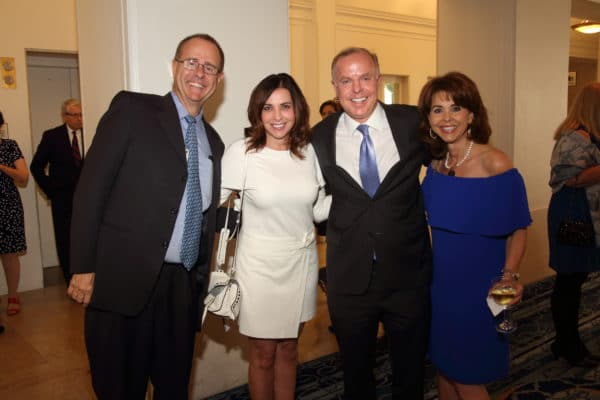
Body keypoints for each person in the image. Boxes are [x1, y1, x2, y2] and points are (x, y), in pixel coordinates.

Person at [67, 33, 225, 399]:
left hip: (181, 289)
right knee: (120, 389)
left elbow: (203, 219)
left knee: (174, 388)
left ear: (218, 80)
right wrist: (83, 266)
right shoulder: (133, 111)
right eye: (191, 62)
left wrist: (200, 286)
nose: (199, 73)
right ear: (173, 67)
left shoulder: (213, 142)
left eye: (209, 67)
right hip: (122, 281)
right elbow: (91, 190)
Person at [311, 47, 432, 400]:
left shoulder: (411, 122)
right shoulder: (319, 136)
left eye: (365, 77)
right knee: (356, 377)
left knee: (410, 374)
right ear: (334, 86)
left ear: (378, 79)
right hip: (349, 281)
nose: (357, 89)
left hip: (408, 277)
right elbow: (309, 197)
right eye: (346, 80)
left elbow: (447, 159)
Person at [419, 71, 531, 400]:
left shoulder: (495, 163)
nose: (447, 118)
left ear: (471, 114)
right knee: (445, 366)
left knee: (467, 376)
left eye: (456, 108)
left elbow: (518, 228)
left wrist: (509, 276)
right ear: (429, 119)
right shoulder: (436, 164)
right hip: (440, 285)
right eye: (437, 110)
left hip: (479, 287)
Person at [220, 73, 330, 400]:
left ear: (298, 110)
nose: (277, 116)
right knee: (263, 354)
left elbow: (317, 210)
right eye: (268, 107)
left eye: (285, 106)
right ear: (257, 111)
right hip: (258, 268)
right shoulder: (242, 153)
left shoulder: (308, 152)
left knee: (290, 349)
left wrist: (357, 196)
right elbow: (213, 204)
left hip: (301, 265)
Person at [547, 81, 600, 368]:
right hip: (573, 215)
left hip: (586, 214)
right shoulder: (574, 137)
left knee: (574, 279)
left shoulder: (591, 135)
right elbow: (569, 179)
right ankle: (568, 345)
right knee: (569, 281)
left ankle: (564, 342)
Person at [30, 98, 84, 285]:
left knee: (88, 237)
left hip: (88, 199)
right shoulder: (52, 136)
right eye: (75, 115)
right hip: (63, 199)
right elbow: (36, 166)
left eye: (81, 114)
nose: (80, 119)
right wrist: (51, 191)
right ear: (65, 116)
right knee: (65, 240)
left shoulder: (92, 132)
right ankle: (70, 280)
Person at [0, 111, 28, 323]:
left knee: (9, 254)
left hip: (8, 205)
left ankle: (12, 296)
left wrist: (1, 166)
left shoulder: (10, 146)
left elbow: (23, 176)